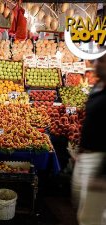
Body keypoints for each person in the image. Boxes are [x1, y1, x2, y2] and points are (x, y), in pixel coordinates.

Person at [72, 55, 106, 225]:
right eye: (98, 60)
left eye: (102, 61)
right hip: (87, 156)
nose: (96, 64)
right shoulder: (98, 87)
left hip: (100, 161)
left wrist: (101, 173)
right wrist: (81, 150)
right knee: (83, 209)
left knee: (92, 217)